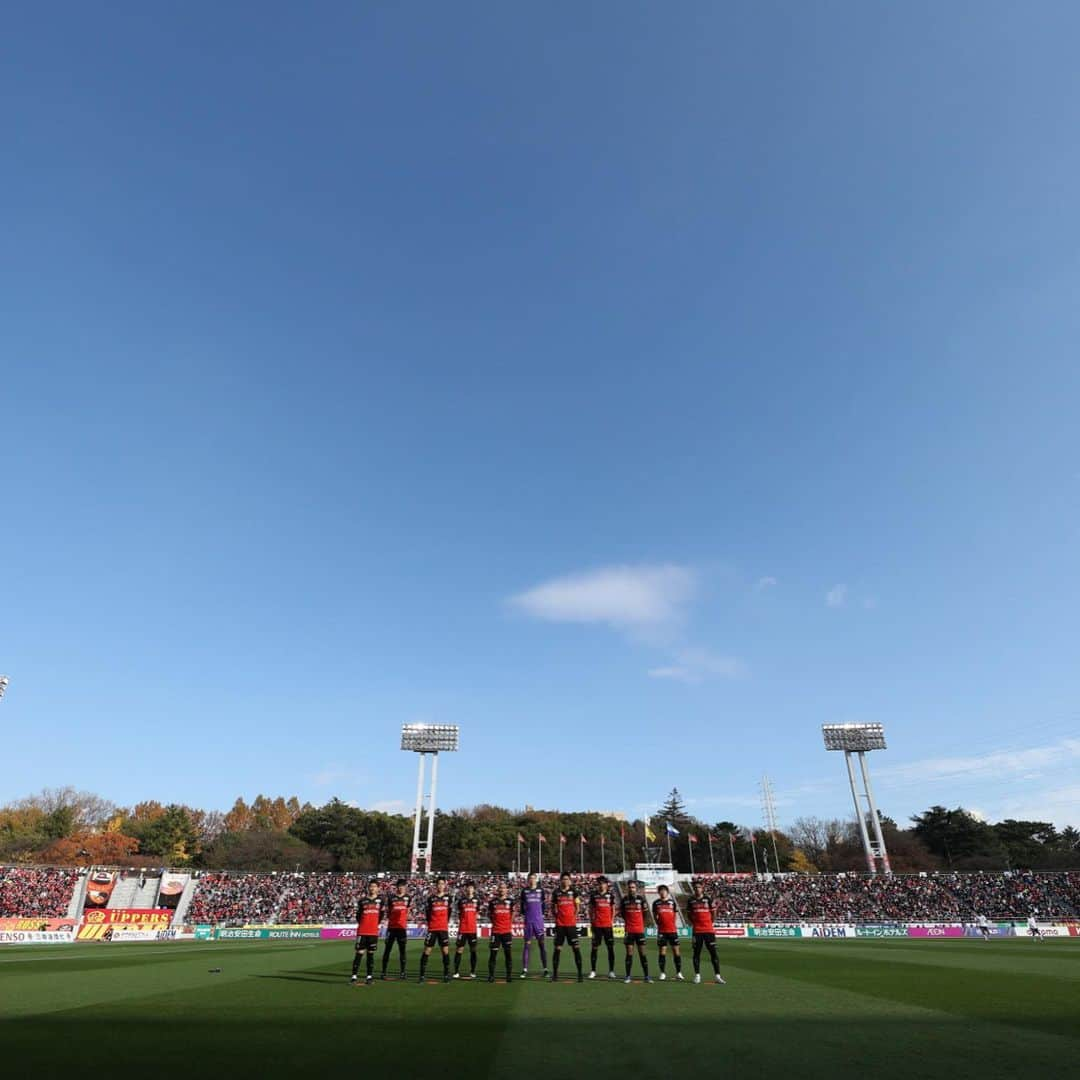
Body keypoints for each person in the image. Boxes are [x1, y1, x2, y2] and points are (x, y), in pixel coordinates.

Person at [687, 880, 725, 984]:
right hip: (697, 931)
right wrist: (695, 923)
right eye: (695, 887)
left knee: (713, 953)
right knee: (696, 953)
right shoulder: (691, 900)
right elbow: (689, 915)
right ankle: (697, 975)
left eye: (699, 887)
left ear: (702, 888)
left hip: (709, 930)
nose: (697, 889)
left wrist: (710, 922)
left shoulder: (708, 899)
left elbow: (714, 913)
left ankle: (717, 976)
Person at [550, 871, 584, 982]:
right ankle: (555, 974)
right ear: (561, 880)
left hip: (571, 925)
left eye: (567, 879)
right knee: (557, 949)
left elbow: (577, 907)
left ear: (570, 881)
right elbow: (552, 907)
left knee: (576, 949)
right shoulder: (556, 892)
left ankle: (580, 974)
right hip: (560, 925)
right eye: (563, 879)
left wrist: (573, 918)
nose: (565, 881)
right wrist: (557, 917)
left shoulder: (574, 891)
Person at [418, 877, 452, 983]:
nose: (440, 886)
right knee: (427, 951)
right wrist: (432, 923)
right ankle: (422, 976)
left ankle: (446, 975)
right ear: (436, 885)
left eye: (442, 884)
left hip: (443, 928)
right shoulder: (431, 898)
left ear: (445, 885)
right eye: (439, 884)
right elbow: (428, 914)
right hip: (432, 928)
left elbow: (449, 912)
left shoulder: (448, 898)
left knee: (445, 951)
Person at [351, 880, 384, 985]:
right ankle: (354, 977)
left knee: (370, 954)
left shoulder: (381, 901)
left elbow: (381, 915)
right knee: (359, 953)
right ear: (368, 888)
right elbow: (358, 916)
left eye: (374, 886)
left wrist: (374, 924)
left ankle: (369, 977)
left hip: (373, 932)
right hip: (362, 931)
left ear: (378, 888)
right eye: (370, 886)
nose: (372, 888)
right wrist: (364, 924)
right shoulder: (362, 901)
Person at [620, 879, 651, 984]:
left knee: (642, 953)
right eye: (630, 887)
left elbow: (645, 914)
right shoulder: (624, 900)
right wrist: (629, 923)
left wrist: (641, 924)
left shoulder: (641, 899)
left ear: (636, 888)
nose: (631, 889)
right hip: (629, 930)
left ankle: (647, 976)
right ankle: (628, 976)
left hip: (639, 930)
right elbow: (623, 914)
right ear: (627, 888)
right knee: (629, 953)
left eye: (633, 887)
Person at [518, 872, 549, 978]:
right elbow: (522, 907)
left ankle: (545, 969)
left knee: (542, 945)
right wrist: (526, 915)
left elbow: (544, 905)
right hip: (528, 922)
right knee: (527, 945)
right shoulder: (524, 891)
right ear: (528, 880)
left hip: (538, 922)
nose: (532, 880)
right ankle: (524, 969)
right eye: (530, 878)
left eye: (533, 878)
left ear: (536, 879)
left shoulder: (541, 891)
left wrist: (540, 916)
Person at [588, 876, 618, 980]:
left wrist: (611, 920)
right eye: (599, 883)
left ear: (606, 885)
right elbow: (590, 909)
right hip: (597, 926)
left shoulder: (610, 896)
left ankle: (611, 971)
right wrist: (592, 921)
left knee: (610, 948)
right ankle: (593, 971)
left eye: (603, 883)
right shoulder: (594, 895)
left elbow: (613, 909)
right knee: (594, 948)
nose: (601, 885)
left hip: (607, 926)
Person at [652, 884, 684, 981]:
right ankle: (662, 973)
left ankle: (678, 972)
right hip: (662, 931)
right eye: (660, 891)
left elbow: (675, 915)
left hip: (672, 931)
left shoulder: (672, 902)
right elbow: (655, 915)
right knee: (662, 952)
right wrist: (659, 924)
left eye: (664, 891)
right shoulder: (656, 903)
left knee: (676, 952)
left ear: (667, 892)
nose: (662, 892)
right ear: (659, 893)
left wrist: (672, 925)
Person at [381, 879, 410, 978]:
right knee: (387, 950)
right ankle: (383, 972)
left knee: (402, 950)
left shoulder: (407, 898)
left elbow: (408, 911)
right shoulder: (391, 898)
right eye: (399, 886)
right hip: (392, 928)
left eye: (403, 886)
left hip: (402, 928)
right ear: (397, 887)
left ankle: (403, 972)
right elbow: (389, 912)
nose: (401, 888)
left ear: (405, 887)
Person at [487, 882, 515, 983]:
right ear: (498, 890)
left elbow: (513, 914)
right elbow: (490, 915)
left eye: (504, 888)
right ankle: (491, 976)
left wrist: (508, 924)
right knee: (493, 954)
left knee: (508, 954)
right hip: (496, 932)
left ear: (506, 890)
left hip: (506, 932)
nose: (502, 890)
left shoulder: (510, 901)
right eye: (500, 888)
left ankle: (508, 976)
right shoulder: (493, 902)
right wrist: (495, 924)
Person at [453, 881, 480, 979]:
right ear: (466, 889)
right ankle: (456, 972)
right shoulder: (461, 901)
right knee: (459, 950)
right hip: (463, 929)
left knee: (473, 950)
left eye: (471, 888)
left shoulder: (477, 900)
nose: (469, 889)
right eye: (468, 887)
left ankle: (472, 971)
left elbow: (477, 912)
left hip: (472, 929)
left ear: (474, 889)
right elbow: (460, 914)